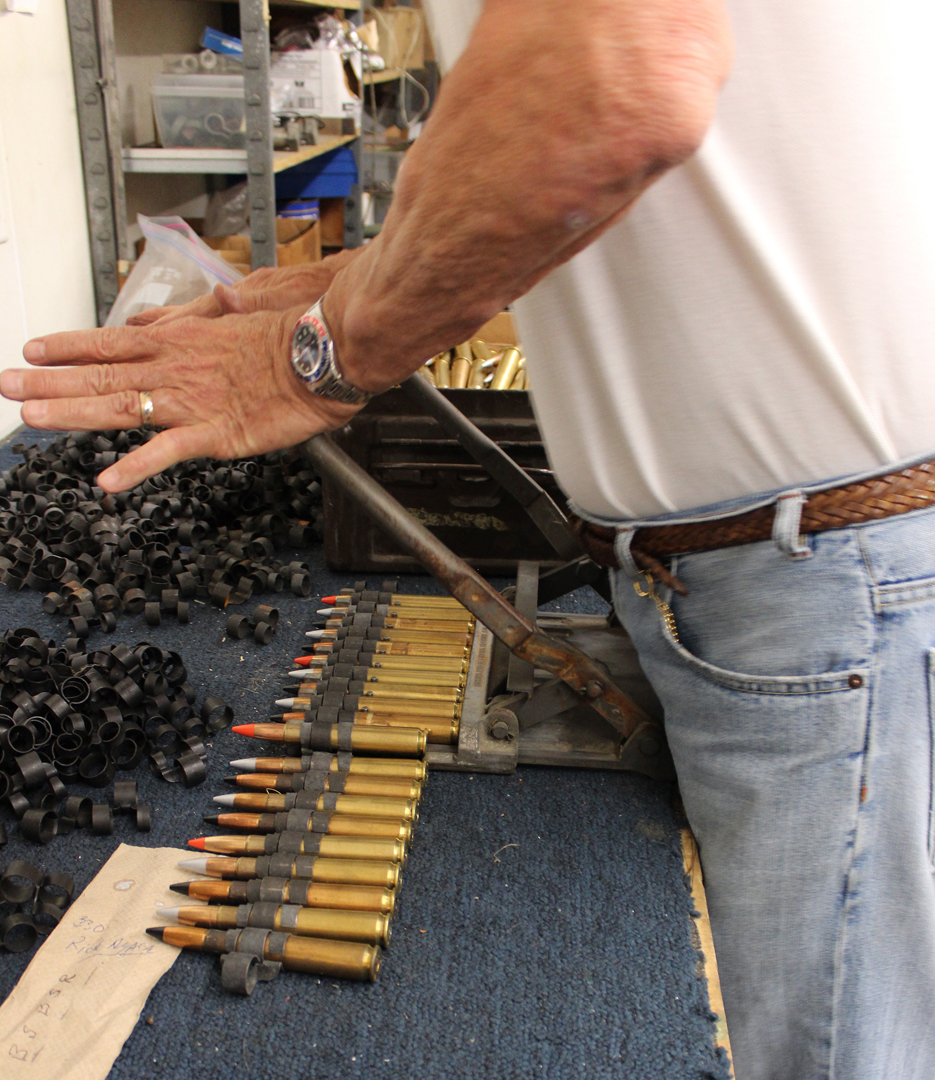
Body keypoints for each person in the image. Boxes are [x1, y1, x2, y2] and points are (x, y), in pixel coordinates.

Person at [3, 2, 935, 1076]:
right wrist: (344, 285)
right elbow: (643, 178)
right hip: (775, 568)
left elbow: (614, 86)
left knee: (824, 1051)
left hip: (816, 574)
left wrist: (318, 353)